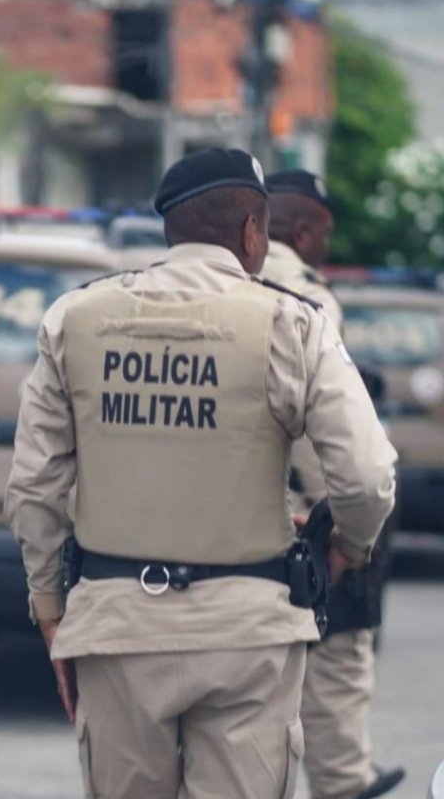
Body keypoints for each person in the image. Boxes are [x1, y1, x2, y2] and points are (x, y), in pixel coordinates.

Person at [6, 148, 397, 799]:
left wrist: (50, 608)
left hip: (118, 627)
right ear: (252, 232)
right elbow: (366, 475)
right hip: (249, 636)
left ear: (171, 229)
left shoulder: (75, 320)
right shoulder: (292, 323)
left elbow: (33, 488)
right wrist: (348, 548)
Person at [263, 170, 405, 799]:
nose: (325, 247)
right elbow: (329, 437)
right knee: (338, 654)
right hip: (301, 513)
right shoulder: (308, 297)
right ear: (302, 231)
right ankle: (347, 781)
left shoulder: (208, 283)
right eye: (323, 234)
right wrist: (344, 531)